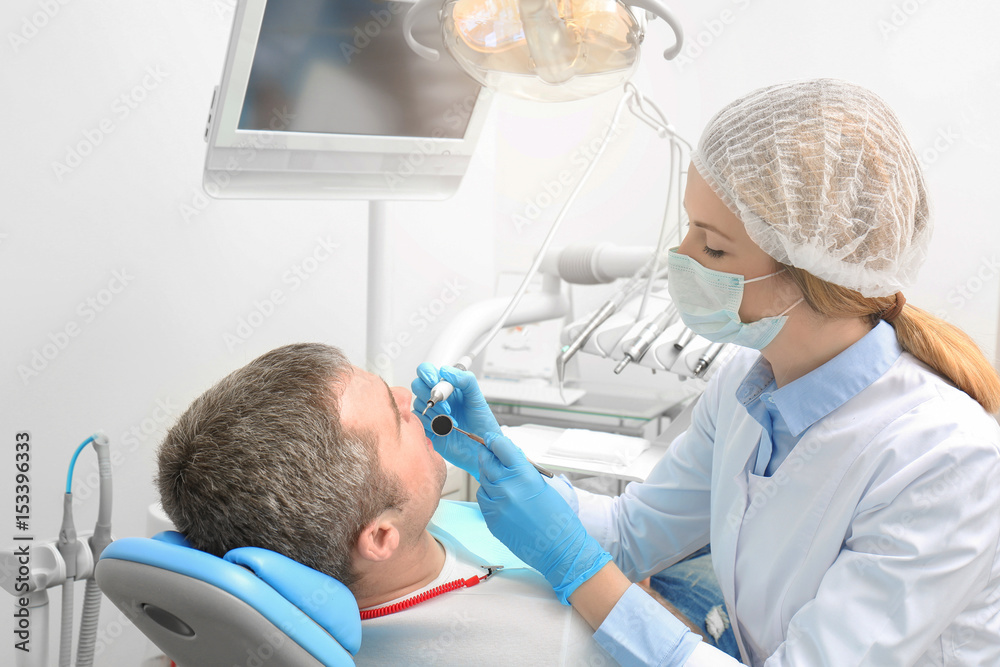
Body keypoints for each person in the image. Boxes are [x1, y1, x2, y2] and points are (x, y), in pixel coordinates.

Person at [414, 78, 1000, 665]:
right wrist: (499, 462)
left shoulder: (944, 461)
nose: (681, 258)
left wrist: (578, 570)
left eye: (714, 248)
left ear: (813, 270)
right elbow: (633, 532)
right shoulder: (751, 383)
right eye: (689, 228)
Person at [155, 343, 616, 665]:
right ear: (379, 536)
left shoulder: (412, 523)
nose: (407, 397)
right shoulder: (554, 647)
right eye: (396, 417)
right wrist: (594, 572)